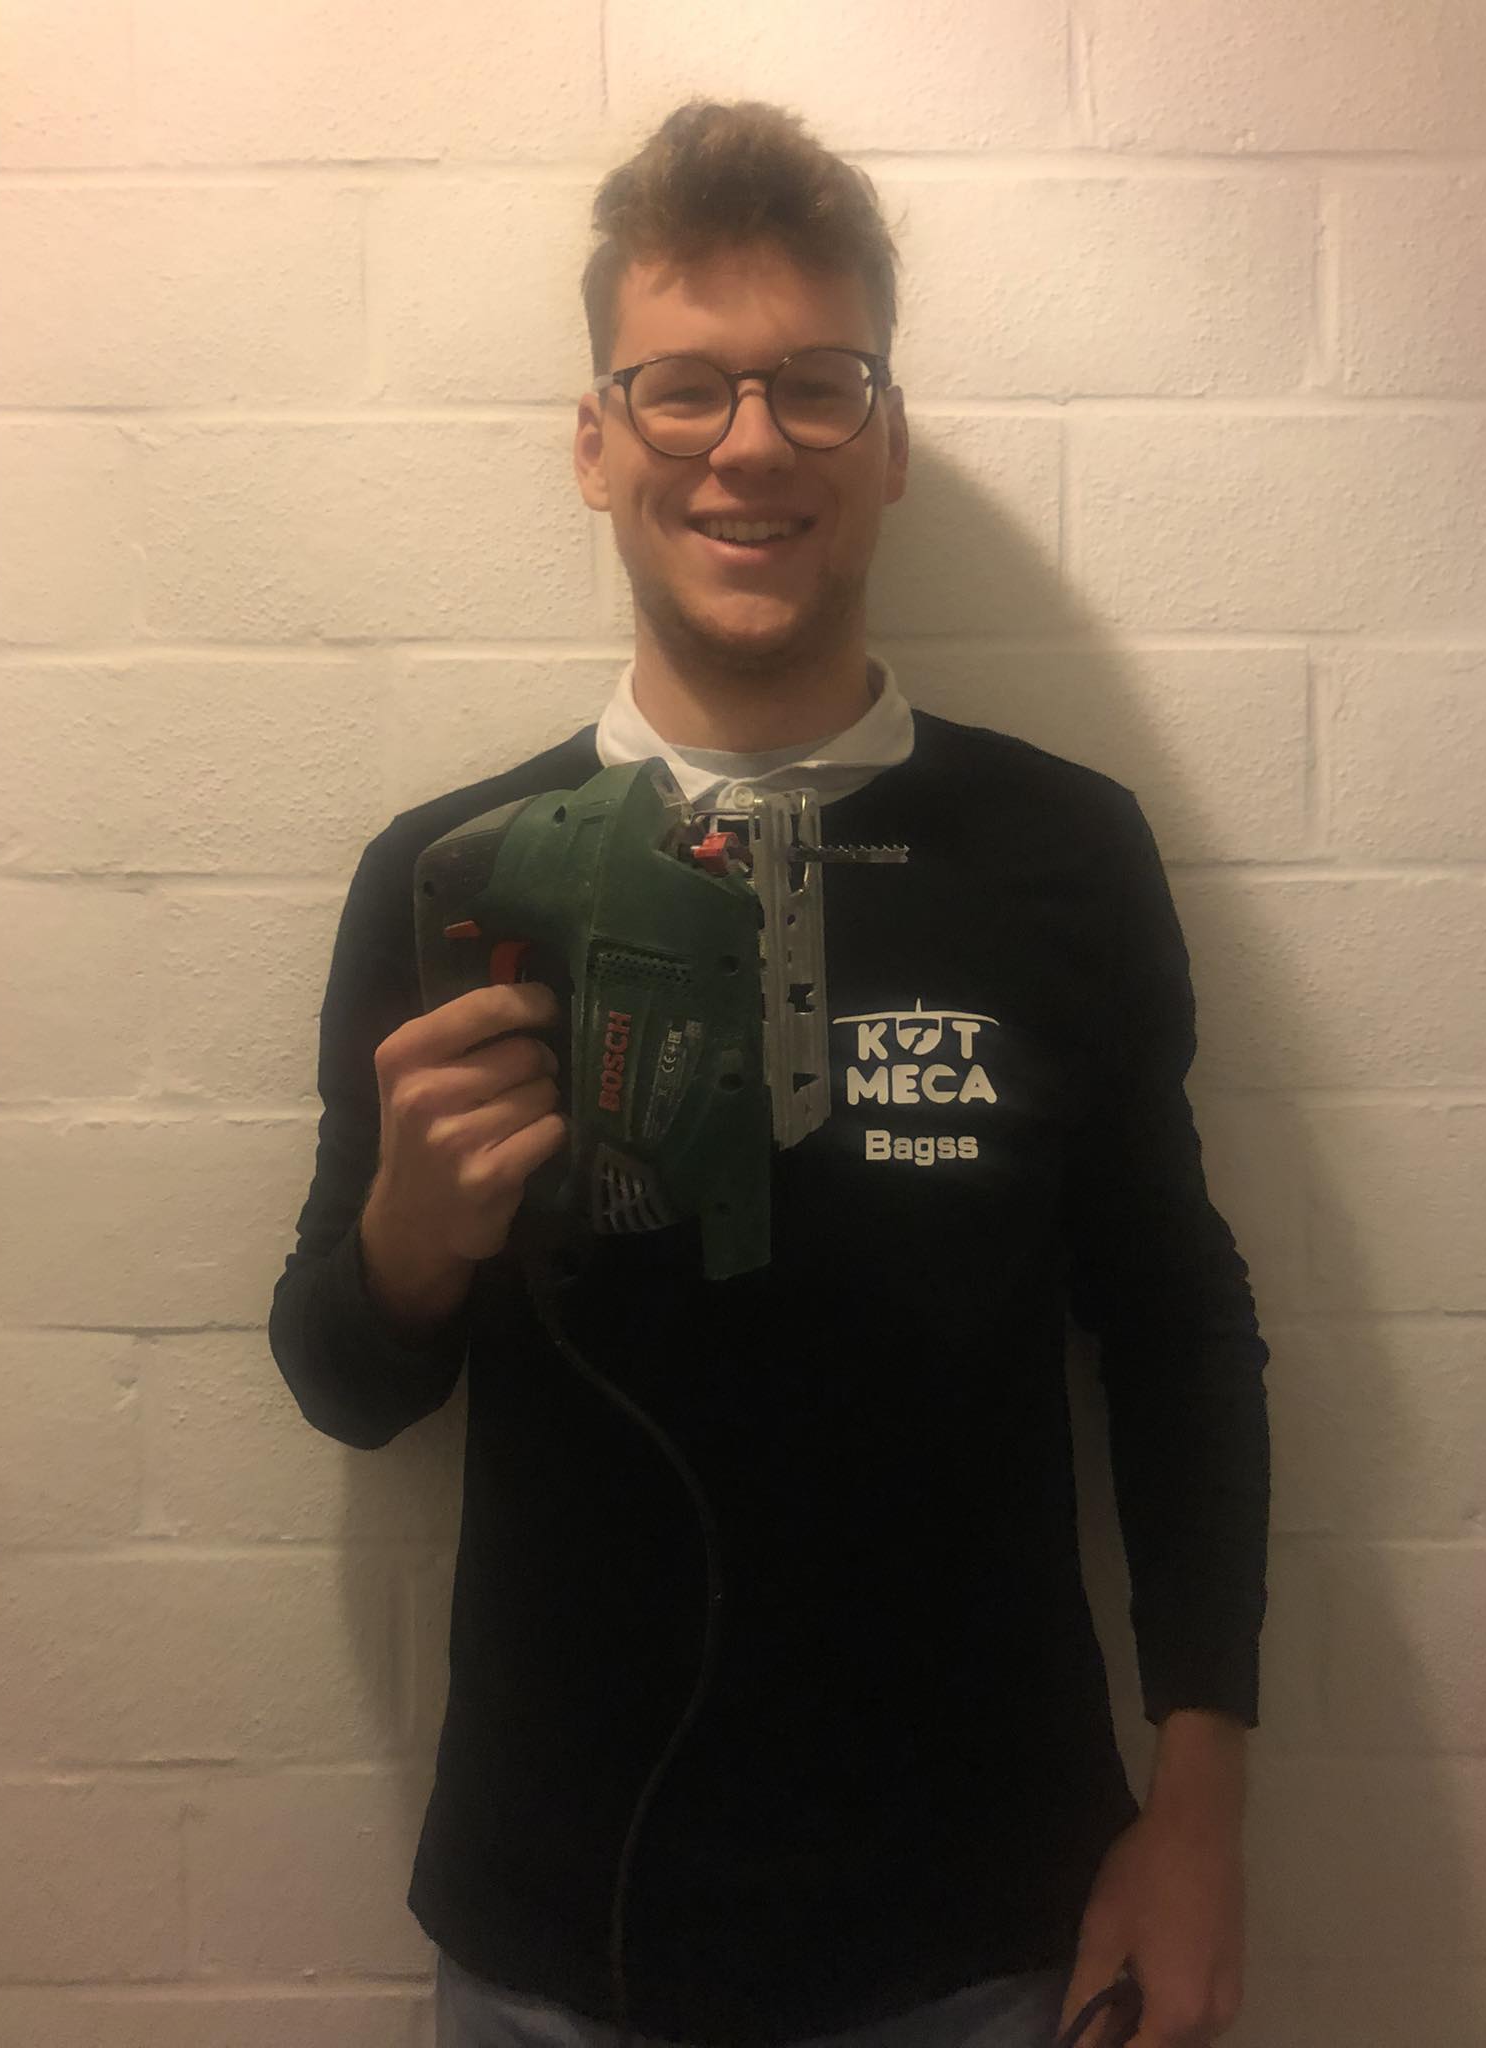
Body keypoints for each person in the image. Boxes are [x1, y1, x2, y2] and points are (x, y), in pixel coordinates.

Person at [269, 100, 1269, 2048]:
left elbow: (1176, 1330)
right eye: (684, 385)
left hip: (992, 1934)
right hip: (563, 1940)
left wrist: (1205, 1814)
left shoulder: (1060, 849)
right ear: (595, 441)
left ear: (885, 440)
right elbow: (341, 1384)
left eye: (819, 384)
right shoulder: (452, 877)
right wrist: (408, 1241)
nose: (750, 442)